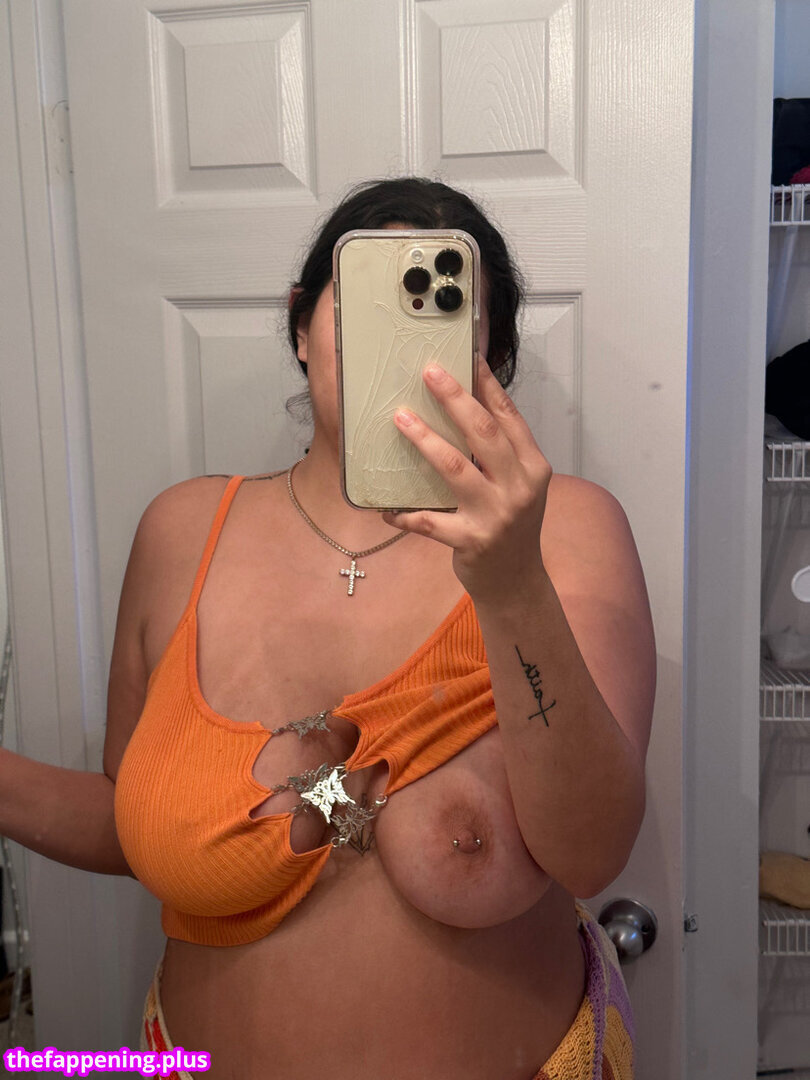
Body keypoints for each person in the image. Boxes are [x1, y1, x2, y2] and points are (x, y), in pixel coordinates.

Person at [1, 177, 655, 1080]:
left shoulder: (566, 532)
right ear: (301, 326)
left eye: (438, 317)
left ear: (490, 357)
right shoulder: (181, 532)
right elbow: (136, 818)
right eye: (362, 309)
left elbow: (590, 852)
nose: (394, 344)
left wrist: (512, 588)